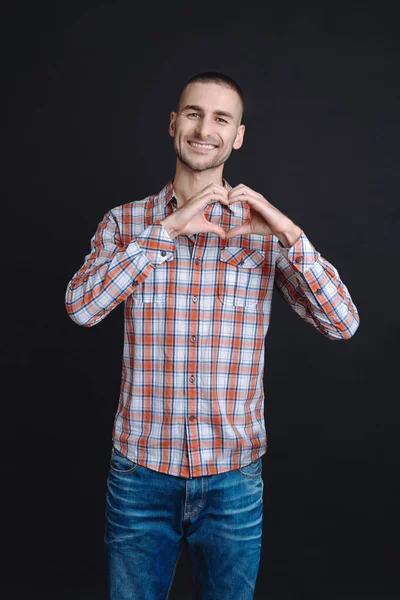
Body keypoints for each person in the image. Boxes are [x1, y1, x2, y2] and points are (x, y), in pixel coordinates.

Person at [65, 71, 360, 600]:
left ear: (238, 135)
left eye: (221, 118)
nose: (206, 128)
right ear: (174, 124)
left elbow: (344, 323)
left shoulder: (264, 233)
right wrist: (167, 231)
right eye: (194, 114)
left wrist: (292, 237)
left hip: (233, 481)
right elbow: (82, 310)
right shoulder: (125, 223)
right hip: (139, 474)